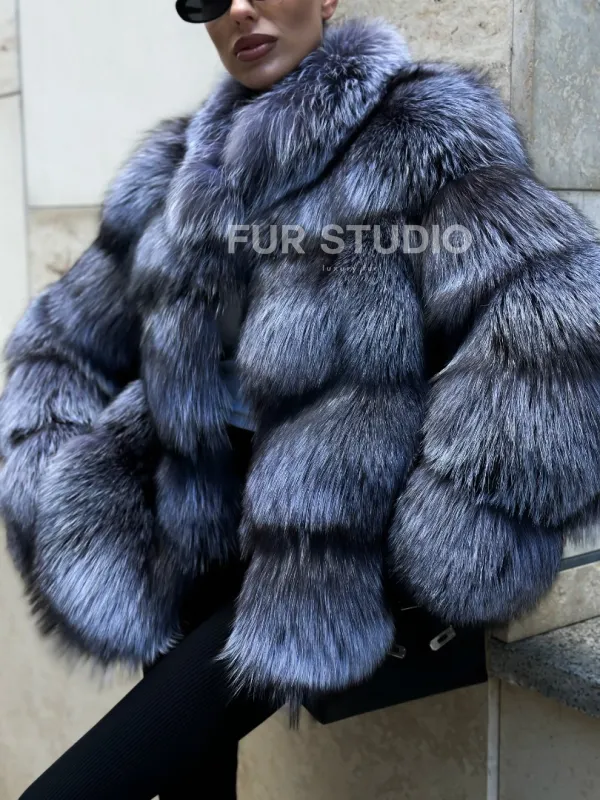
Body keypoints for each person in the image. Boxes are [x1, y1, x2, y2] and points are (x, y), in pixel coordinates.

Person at [3, 0, 600, 797]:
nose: (238, 11)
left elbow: (557, 323)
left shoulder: (421, 130)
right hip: (189, 512)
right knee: (189, 780)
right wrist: (52, 466)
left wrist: (449, 524)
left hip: (324, 540)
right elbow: (65, 337)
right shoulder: (175, 166)